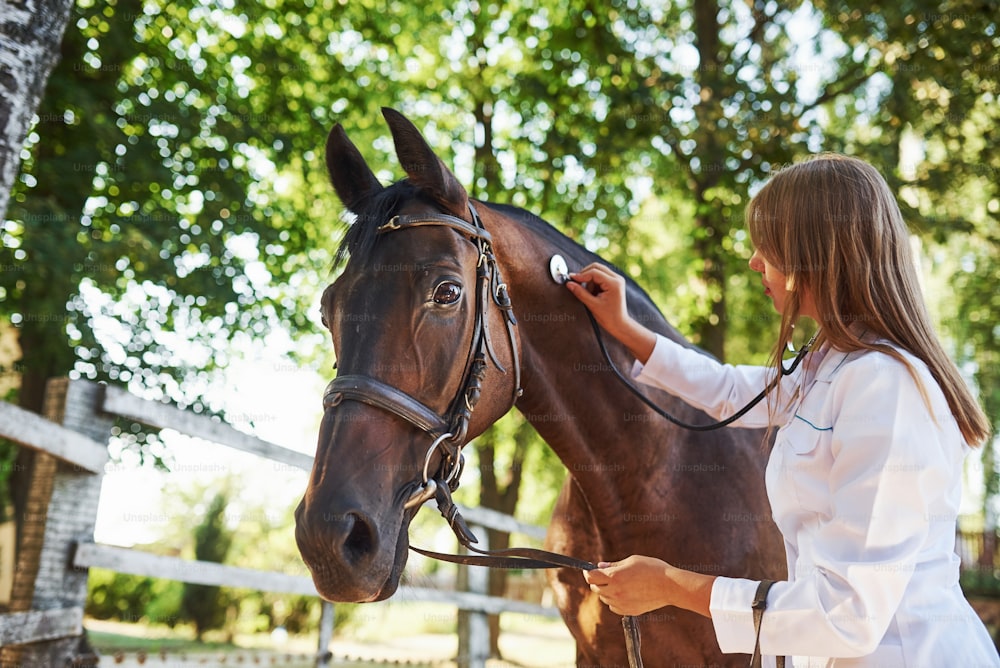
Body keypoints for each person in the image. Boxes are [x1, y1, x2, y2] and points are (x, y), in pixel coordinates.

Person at [567, 154, 999, 667]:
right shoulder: (830, 365)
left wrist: (671, 585)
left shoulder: (886, 387)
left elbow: (848, 616)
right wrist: (626, 329)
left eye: (767, 247)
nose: (754, 262)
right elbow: (731, 389)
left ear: (814, 253)